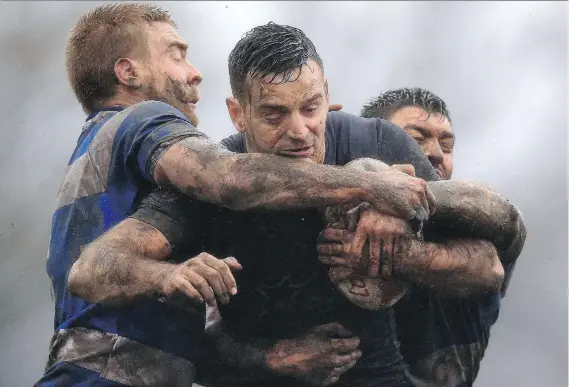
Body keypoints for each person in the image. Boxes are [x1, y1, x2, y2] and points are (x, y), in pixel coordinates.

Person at [68, 23, 525, 387]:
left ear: (326, 92)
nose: (300, 130)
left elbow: (487, 269)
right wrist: (273, 357)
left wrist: (405, 253)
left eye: (310, 107)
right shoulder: (211, 184)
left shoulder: (377, 143)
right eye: (274, 114)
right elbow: (91, 270)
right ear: (236, 112)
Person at [345, 87, 526, 386]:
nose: (435, 153)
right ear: (370, 144)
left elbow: (507, 221)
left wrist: (396, 241)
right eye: (415, 140)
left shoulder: (479, 227)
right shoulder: (334, 215)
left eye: (447, 145)